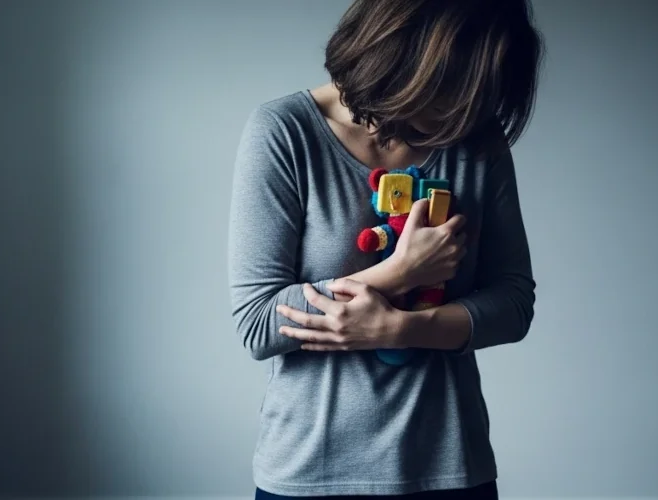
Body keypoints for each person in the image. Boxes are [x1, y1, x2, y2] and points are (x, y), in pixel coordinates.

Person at [226, 0, 543, 498]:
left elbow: (514, 303)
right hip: (311, 474)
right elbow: (259, 323)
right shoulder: (284, 132)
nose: (465, 113)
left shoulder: (476, 138)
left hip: (450, 469)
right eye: (455, 91)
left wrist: (404, 328)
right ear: (405, 56)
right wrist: (398, 273)